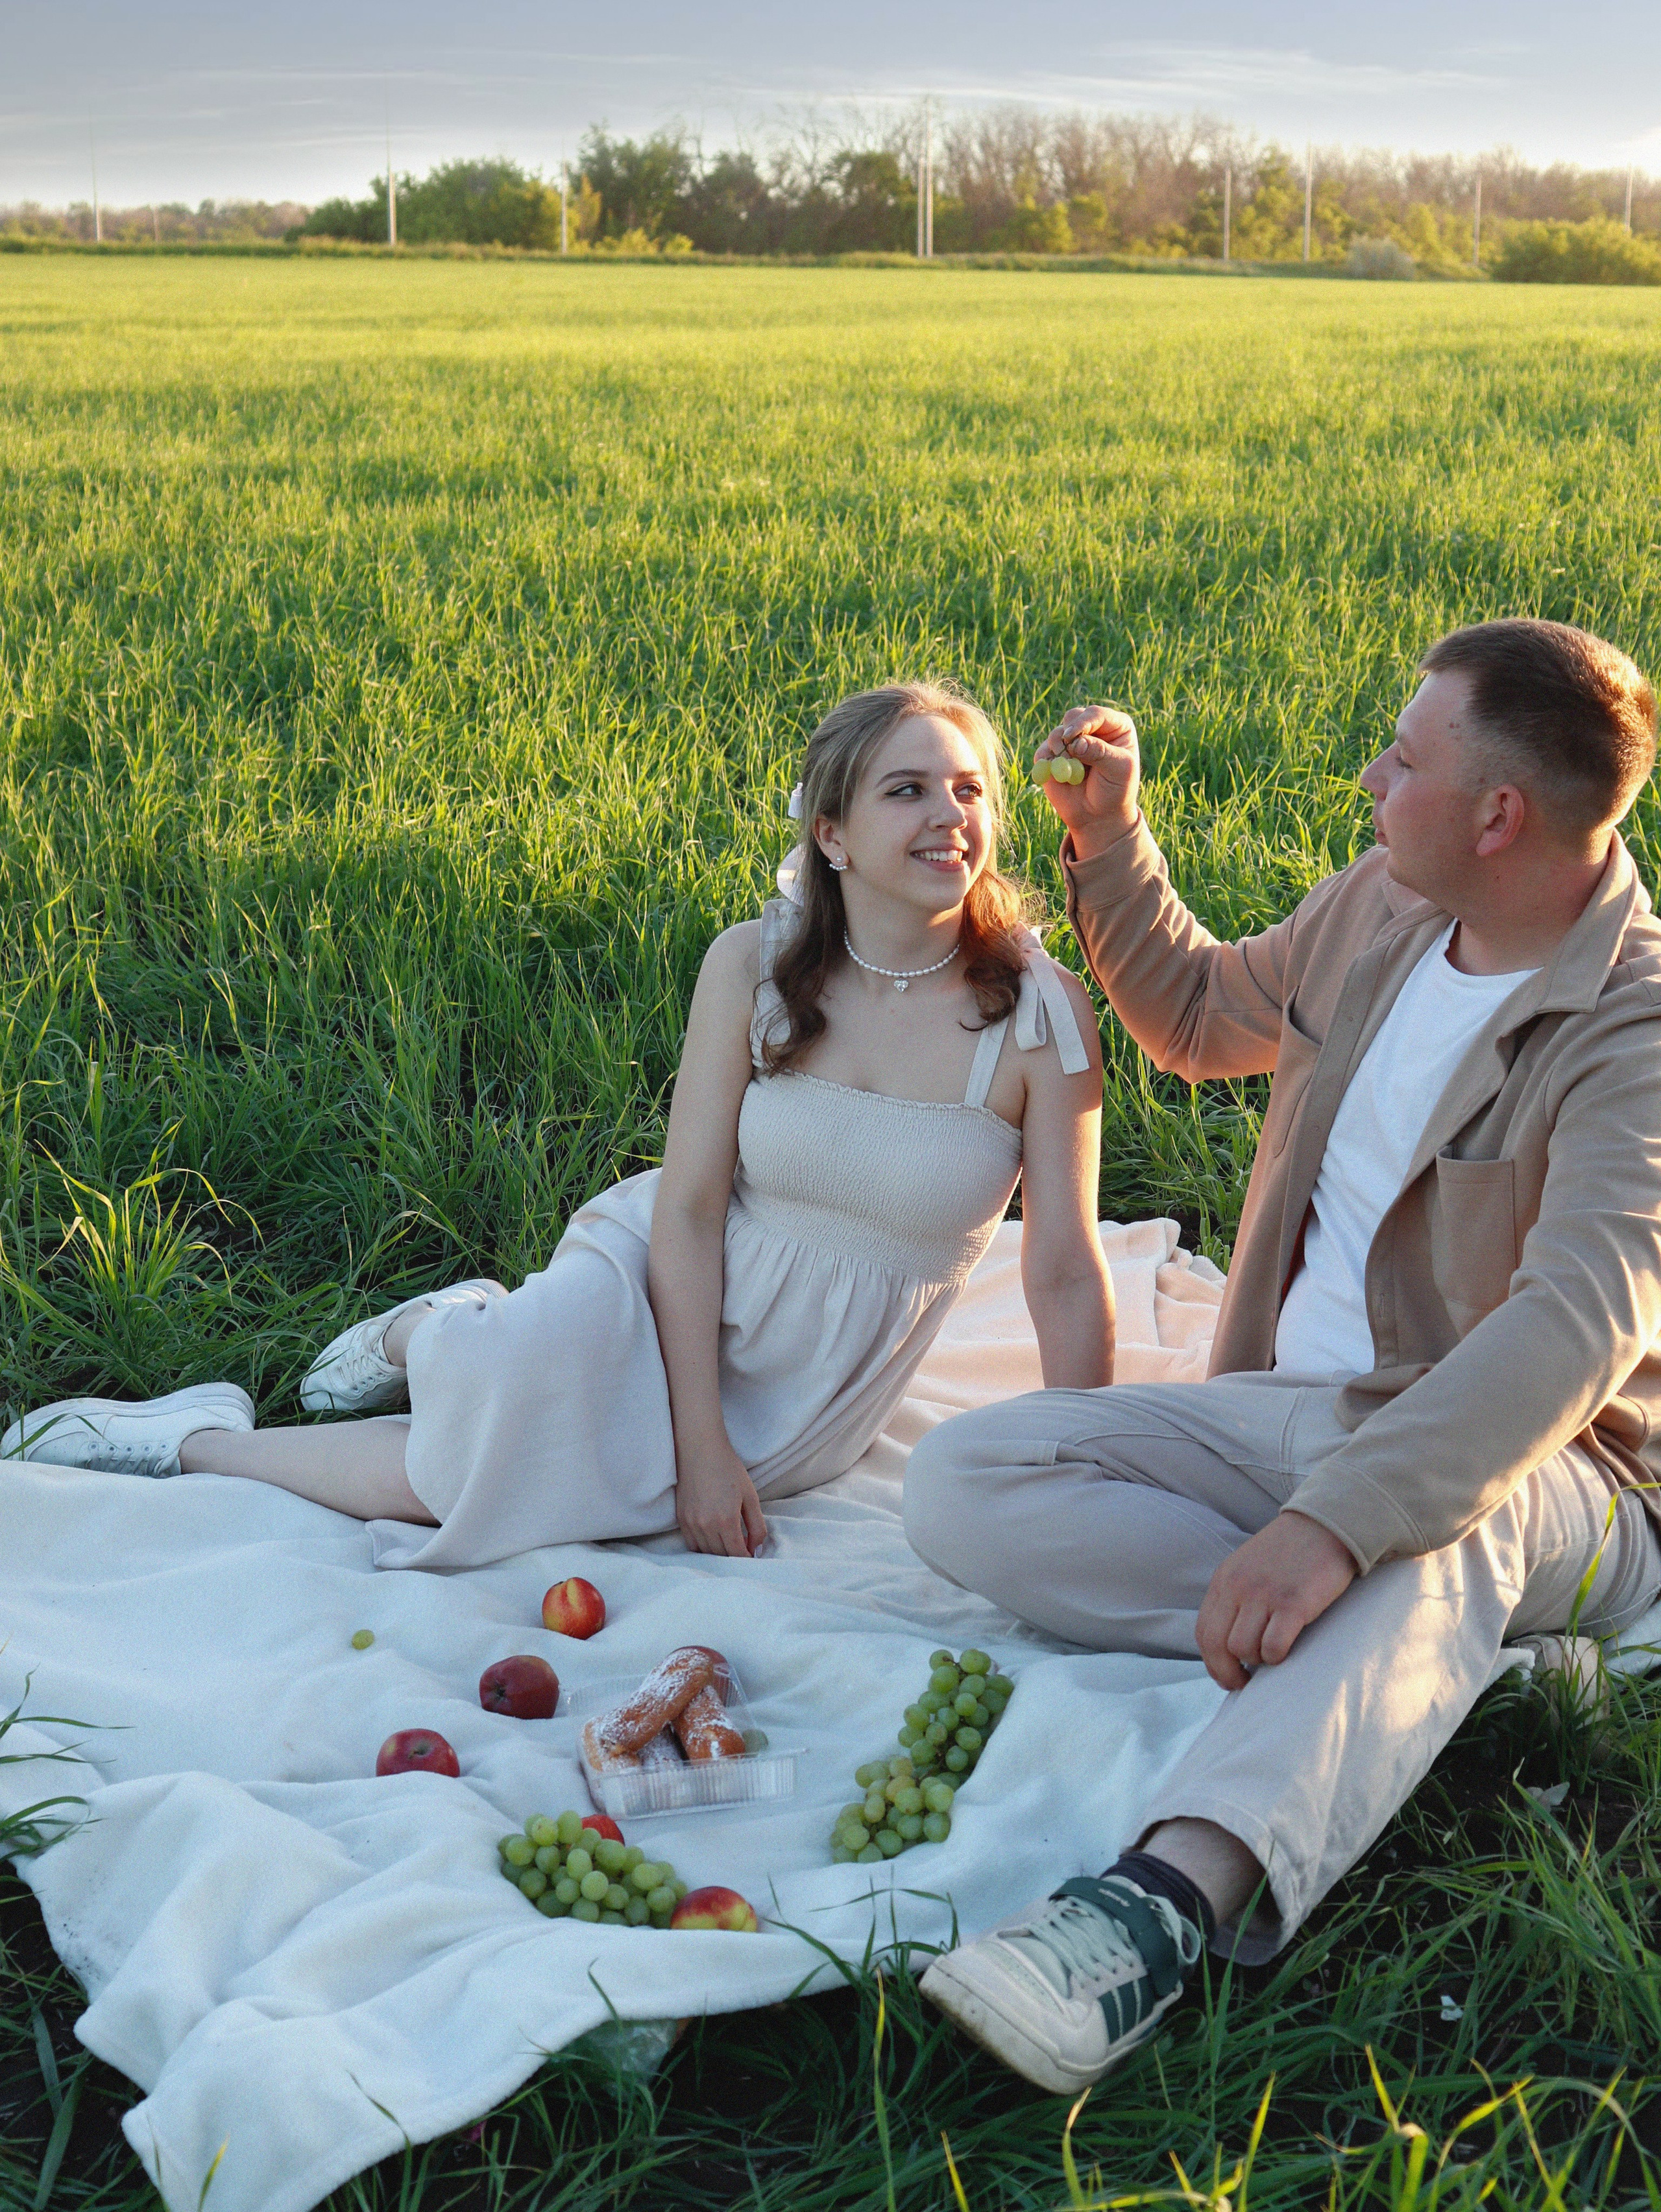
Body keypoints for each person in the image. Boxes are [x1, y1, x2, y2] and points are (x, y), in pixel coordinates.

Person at [908, 618, 1661, 2094]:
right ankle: (1437, 1670)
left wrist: (1334, 1526)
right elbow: (1197, 1016)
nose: (1372, 774)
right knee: (966, 1477)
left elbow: (1574, 1327)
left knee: (1441, 1530)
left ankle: (1159, 1904)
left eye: (1405, 757)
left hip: (1549, 1471)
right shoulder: (1381, 906)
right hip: (1284, 1409)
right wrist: (1108, 837)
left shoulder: (1633, 1029)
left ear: (1497, 815)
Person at [5, 681, 1113, 1564]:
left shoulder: (1039, 1018)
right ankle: (315, 1386)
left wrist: (1086, 1469)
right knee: (494, 1431)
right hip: (668, 1279)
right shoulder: (754, 965)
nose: (949, 817)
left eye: (969, 790)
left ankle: (285, 1399)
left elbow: (1065, 1271)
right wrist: (697, 1441)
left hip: (813, 1387)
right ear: (832, 833)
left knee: (515, 1481)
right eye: (907, 791)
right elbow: (689, 1208)